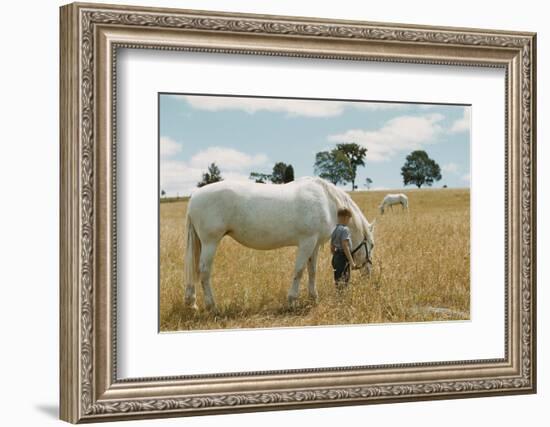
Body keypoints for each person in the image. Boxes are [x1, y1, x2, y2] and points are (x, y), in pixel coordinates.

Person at [330, 207, 356, 290]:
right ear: (346, 217)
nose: (349, 221)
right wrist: (352, 262)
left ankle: (338, 297)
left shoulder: (334, 229)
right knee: (345, 280)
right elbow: (345, 246)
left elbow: (331, 246)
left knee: (337, 279)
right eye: (349, 218)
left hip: (336, 257)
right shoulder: (345, 229)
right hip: (343, 257)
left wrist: (335, 255)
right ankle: (342, 298)